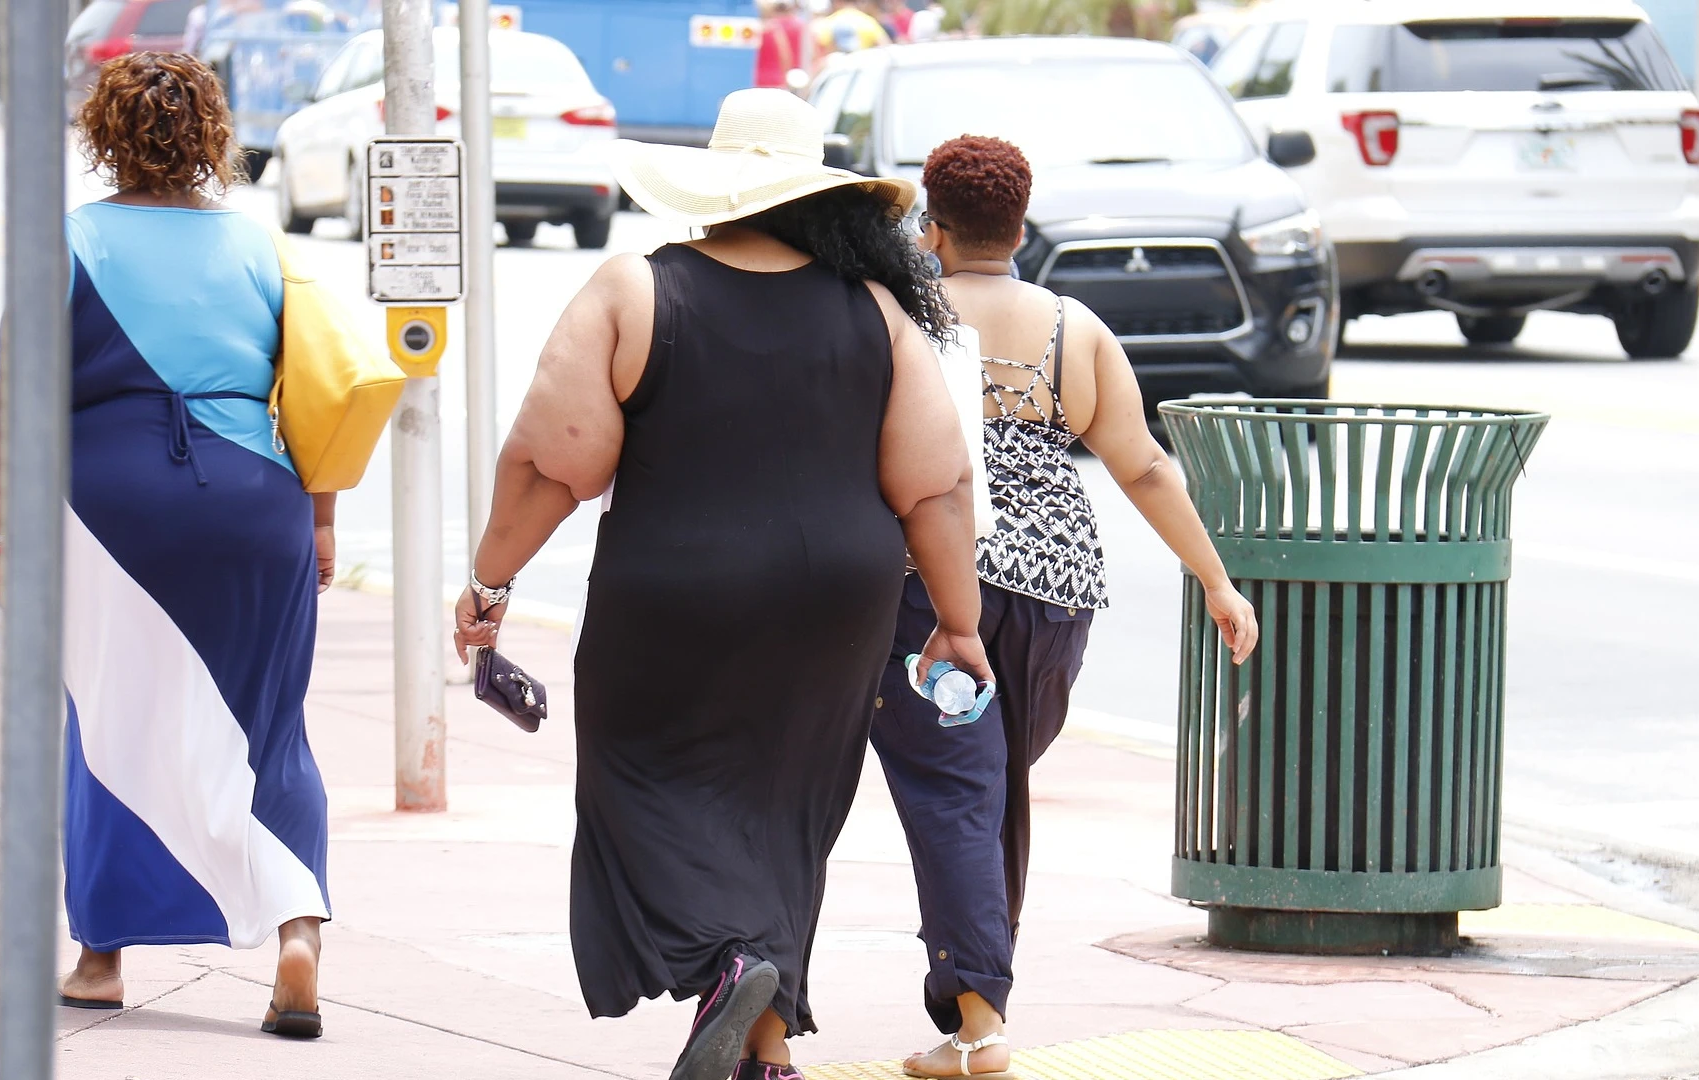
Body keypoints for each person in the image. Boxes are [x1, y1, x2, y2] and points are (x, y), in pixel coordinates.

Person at [452, 88, 990, 1080]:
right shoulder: (878, 312)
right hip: (839, 600)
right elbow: (940, 488)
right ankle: (766, 1043)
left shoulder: (638, 291)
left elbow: (550, 464)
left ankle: (730, 961)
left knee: (641, 778)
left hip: (675, 587)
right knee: (785, 803)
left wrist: (490, 583)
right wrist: (959, 623)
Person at [873, 135, 1260, 1080]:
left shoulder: (896, 318)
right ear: (1021, 223)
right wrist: (1214, 579)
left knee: (957, 793)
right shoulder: (1071, 329)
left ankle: (978, 1023)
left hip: (931, 588)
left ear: (935, 224)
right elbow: (1143, 466)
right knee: (993, 786)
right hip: (1054, 599)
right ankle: (976, 1008)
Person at [0, 54, 334, 1038]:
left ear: (105, 135)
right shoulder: (264, 247)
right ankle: (298, 927)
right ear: (212, 135)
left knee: (111, 722)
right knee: (271, 725)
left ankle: (100, 959)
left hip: (113, 511)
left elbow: (16, 397)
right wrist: (322, 523)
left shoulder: (71, 239)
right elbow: (315, 395)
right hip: (259, 501)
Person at [753, 0, 807, 90]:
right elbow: (784, 56)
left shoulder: (754, 31)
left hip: (757, 80)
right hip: (776, 81)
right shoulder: (774, 30)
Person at [811, 0, 890, 61]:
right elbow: (886, 47)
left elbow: (815, 55)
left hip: (836, 76)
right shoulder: (868, 22)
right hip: (864, 74)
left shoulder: (827, 23)